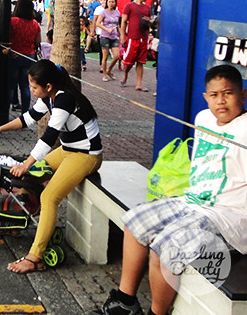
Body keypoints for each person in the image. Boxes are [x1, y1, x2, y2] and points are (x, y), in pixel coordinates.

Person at [95, 64, 246, 315]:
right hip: (194, 201)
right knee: (134, 221)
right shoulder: (203, 118)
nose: (221, 101)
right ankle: (126, 301)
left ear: (243, 95)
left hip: (228, 215)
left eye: (228, 93)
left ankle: (157, 313)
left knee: (166, 246)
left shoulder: (245, 129)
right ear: (205, 97)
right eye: (215, 94)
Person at [0, 60, 103, 273]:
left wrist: (26, 163)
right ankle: (19, 221)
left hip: (86, 156)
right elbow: (28, 118)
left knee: (50, 197)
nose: (31, 90)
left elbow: (49, 136)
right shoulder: (49, 97)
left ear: (48, 86)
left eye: (34, 87)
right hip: (68, 151)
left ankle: (35, 256)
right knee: (29, 177)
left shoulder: (64, 99)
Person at [10, 0, 42, 113]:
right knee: (25, 86)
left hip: (14, 55)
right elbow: (38, 41)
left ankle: (4, 112)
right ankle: (25, 113)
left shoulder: (13, 21)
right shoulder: (35, 24)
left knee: (11, 86)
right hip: (29, 56)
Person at [120, 0, 152, 91]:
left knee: (141, 61)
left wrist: (149, 21)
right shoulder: (129, 6)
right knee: (129, 62)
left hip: (144, 38)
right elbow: (123, 22)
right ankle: (125, 75)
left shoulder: (147, 7)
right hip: (132, 38)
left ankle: (139, 83)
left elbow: (150, 21)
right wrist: (122, 36)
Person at [95, 0, 121, 81]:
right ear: (107, 3)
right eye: (109, 2)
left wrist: (120, 34)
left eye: (113, 2)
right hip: (105, 36)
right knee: (105, 56)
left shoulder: (117, 12)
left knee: (117, 56)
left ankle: (109, 70)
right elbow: (98, 23)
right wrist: (106, 29)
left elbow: (118, 25)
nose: (111, 3)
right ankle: (105, 74)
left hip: (114, 36)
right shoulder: (103, 12)